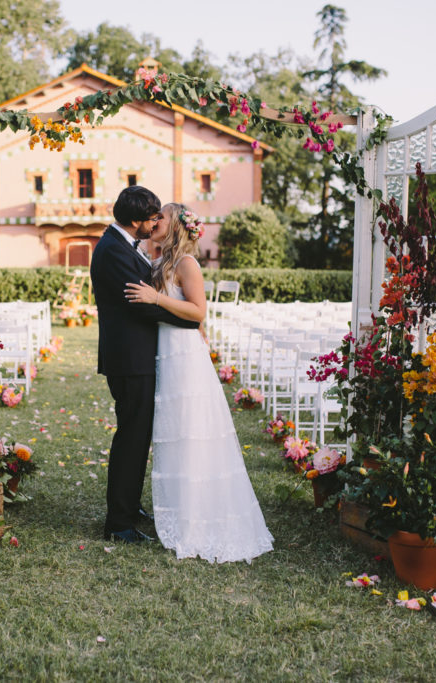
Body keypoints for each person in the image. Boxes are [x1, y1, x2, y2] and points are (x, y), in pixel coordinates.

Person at [124, 203, 273, 563]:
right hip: (166, 353)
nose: (154, 221)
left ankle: (199, 517)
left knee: (191, 430)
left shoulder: (187, 263)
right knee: (174, 431)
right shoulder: (159, 262)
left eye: (161, 217)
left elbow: (198, 311)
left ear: (175, 225)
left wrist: (155, 297)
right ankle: (178, 510)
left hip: (185, 357)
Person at [90, 186, 200, 544]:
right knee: (131, 438)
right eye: (151, 218)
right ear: (135, 221)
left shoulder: (123, 245)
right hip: (129, 359)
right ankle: (119, 523)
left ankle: (130, 504)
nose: (155, 223)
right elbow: (140, 304)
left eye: (160, 217)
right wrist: (189, 321)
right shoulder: (112, 250)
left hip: (136, 356)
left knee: (138, 436)